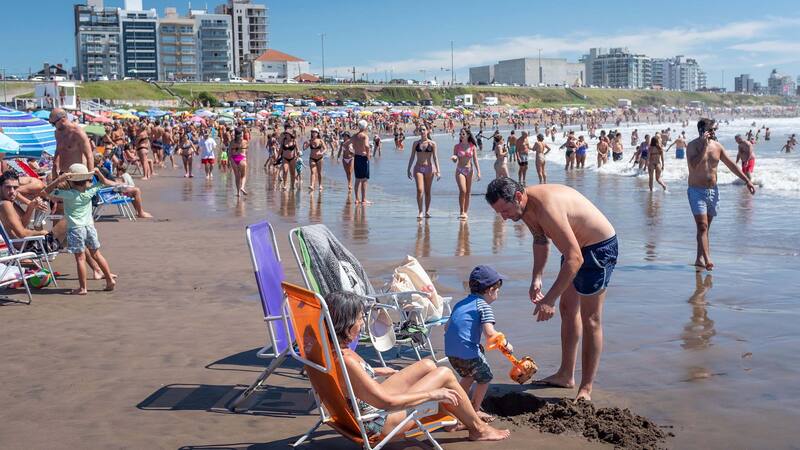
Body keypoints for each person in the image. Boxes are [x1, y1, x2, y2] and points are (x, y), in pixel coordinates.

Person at [485, 177, 618, 402]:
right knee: (568, 309)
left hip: (597, 249)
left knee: (591, 319)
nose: (504, 217)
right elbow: (540, 240)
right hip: (574, 249)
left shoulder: (546, 207)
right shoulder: (524, 207)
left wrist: (549, 300)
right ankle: (566, 375)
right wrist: (536, 278)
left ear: (518, 196)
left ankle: (586, 388)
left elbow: (575, 259)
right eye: (499, 213)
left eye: (505, 210)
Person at [326, 291, 510, 442]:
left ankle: (457, 415)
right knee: (444, 374)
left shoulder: (330, 350)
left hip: (366, 406)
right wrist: (432, 394)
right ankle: (478, 429)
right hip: (380, 423)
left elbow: (347, 379)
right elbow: (387, 402)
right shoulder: (347, 360)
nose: (362, 324)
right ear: (347, 324)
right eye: (359, 319)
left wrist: (374, 371)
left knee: (428, 365)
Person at [686, 118, 756, 271]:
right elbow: (694, 165)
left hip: (713, 192)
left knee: (705, 228)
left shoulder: (717, 146)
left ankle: (699, 258)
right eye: (711, 130)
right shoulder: (692, 146)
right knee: (702, 226)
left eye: (714, 130)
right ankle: (708, 258)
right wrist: (704, 147)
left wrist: (747, 181)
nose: (713, 132)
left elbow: (732, 165)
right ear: (702, 131)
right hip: (696, 190)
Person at [445, 265, 507, 422]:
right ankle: (475, 410)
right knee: (485, 377)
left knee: (468, 376)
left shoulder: (460, 304)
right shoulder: (484, 306)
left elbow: (447, 327)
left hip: (451, 352)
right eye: (497, 290)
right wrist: (506, 343)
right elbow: (490, 333)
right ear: (490, 290)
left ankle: (455, 407)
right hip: (468, 353)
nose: (498, 293)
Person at [43, 164, 116, 295]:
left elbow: (45, 192)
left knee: (80, 259)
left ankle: (83, 288)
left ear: (71, 181)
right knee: (97, 255)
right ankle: (109, 279)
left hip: (76, 229)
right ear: (86, 179)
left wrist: (59, 180)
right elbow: (104, 182)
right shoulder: (90, 191)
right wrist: (98, 173)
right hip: (89, 227)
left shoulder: (69, 194)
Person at [406, 124, 440, 218]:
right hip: (418, 168)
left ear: (428, 131)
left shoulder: (432, 144)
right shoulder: (416, 143)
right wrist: (408, 169)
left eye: (424, 130)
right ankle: (420, 211)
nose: (422, 131)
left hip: (429, 169)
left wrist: (438, 171)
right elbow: (412, 156)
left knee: (427, 191)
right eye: (420, 130)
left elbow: (435, 157)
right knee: (420, 190)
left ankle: (427, 211)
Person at [50, 109, 94, 178]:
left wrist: (90, 178)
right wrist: (54, 168)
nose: (53, 126)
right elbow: (58, 150)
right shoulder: (57, 133)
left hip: (77, 175)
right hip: (63, 174)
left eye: (53, 123)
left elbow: (89, 155)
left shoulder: (77, 132)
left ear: (62, 119)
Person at [452, 129, 481, 220]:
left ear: (468, 135)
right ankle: (461, 211)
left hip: (470, 170)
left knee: (468, 192)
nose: (461, 135)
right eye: (460, 134)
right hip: (460, 170)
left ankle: (465, 212)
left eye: (463, 134)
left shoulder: (472, 146)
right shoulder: (457, 146)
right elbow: (455, 158)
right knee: (463, 190)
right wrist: (454, 158)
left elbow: (475, 160)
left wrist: (479, 172)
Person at [352, 120, 372, 204]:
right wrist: (368, 154)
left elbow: (347, 144)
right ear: (365, 127)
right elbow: (367, 146)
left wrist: (352, 152)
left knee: (357, 179)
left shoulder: (354, 136)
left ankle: (357, 199)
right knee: (364, 179)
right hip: (363, 158)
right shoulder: (365, 136)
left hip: (356, 157)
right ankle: (363, 199)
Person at [279, 122, 299, 191]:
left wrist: (297, 155)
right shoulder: (283, 140)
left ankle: (292, 185)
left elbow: (297, 149)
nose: (286, 135)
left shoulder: (294, 140)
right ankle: (284, 185)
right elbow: (280, 149)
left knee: (292, 172)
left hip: (293, 158)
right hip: (285, 158)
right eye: (285, 134)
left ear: (290, 134)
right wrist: (277, 157)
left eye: (287, 134)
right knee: (285, 171)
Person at [230, 128, 249, 196]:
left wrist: (229, 161)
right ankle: (242, 187)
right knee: (243, 175)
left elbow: (230, 152)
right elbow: (246, 151)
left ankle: (238, 193)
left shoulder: (232, 142)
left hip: (234, 159)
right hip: (241, 158)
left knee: (237, 176)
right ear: (241, 134)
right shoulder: (245, 141)